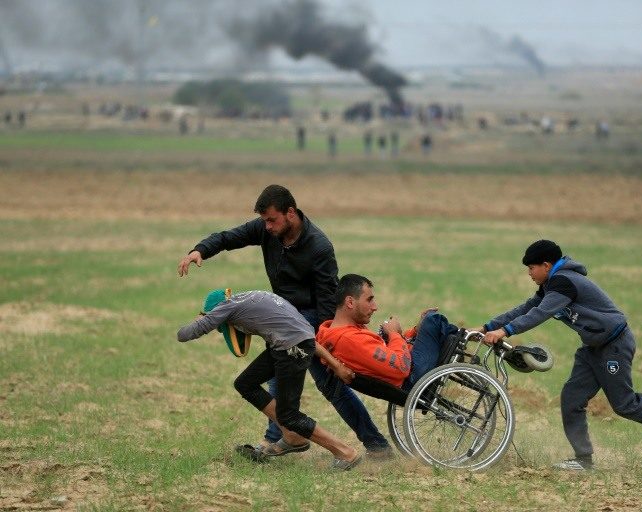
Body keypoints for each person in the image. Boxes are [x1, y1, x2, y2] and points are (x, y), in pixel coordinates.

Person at [177, 184, 392, 457]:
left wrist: (324, 344)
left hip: (311, 320)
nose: (266, 226)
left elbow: (327, 300)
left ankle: (376, 447)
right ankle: (282, 438)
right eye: (264, 221)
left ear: (290, 213)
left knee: (331, 386)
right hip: (283, 317)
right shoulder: (267, 230)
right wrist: (200, 250)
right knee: (278, 376)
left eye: (271, 220)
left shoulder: (319, 246)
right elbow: (228, 237)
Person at [479, 240, 642, 470]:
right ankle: (583, 459)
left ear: (546, 265)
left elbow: (540, 313)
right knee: (571, 398)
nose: (529, 273)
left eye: (531, 268)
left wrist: (505, 331)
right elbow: (526, 308)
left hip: (614, 345)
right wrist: (487, 327)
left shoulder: (564, 282)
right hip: (592, 347)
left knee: (624, 404)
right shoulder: (550, 285)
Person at [177, 288, 362, 470]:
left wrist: (202, 318)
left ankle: (345, 452)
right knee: (245, 383)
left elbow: (184, 335)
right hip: (288, 344)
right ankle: (292, 436)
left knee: (289, 415)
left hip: (291, 348)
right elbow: (306, 337)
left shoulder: (226, 307)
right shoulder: (250, 298)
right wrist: (336, 365)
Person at [316, 274, 458, 390]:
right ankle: (465, 340)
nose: (375, 307)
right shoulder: (350, 339)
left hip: (408, 371)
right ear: (350, 302)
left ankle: (463, 338)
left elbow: (384, 352)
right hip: (413, 378)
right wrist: (394, 334)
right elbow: (401, 367)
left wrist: (414, 332)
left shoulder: (340, 333)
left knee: (427, 325)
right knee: (433, 319)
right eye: (369, 300)